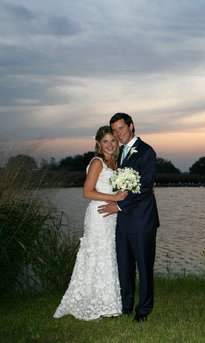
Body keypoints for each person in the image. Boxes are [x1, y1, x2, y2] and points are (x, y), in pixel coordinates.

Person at [54, 126, 127, 321]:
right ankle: (91, 307)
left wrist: (125, 194)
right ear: (98, 143)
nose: (110, 144)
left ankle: (105, 303)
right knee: (96, 256)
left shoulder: (114, 163)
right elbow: (87, 192)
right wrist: (114, 197)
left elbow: (119, 191)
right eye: (105, 141)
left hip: (111, 215)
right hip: (99, 215)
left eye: (113, 140)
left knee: (106, 256)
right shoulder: (97, 162)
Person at [98, 113, 160, 323]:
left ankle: (143, 310)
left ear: (131, 126)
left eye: (121, 128)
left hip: (142, 220)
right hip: (122, 221)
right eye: (115, 130)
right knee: (124, 266)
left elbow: (144, 187)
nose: (118, 133)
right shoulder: (118, 152)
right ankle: (125, 306)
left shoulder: (146, 152)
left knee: (144, 268)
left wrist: (119, 205)